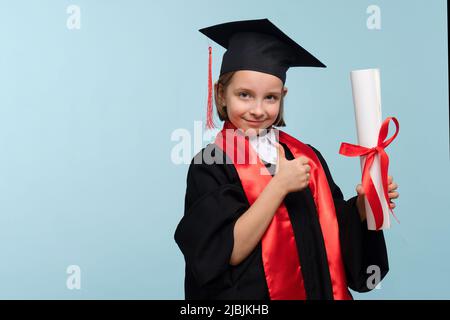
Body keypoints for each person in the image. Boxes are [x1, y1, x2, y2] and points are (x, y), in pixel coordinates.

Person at [174, 18, 399, 300]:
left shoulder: (306, 156)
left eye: (270, 98)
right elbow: (226, 251)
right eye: (244, 95)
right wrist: (279, 185)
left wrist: (363, 209)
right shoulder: (210, 164)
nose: (257, 109)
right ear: (221, 94)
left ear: (283, 96)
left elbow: (331, 232)